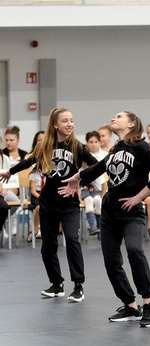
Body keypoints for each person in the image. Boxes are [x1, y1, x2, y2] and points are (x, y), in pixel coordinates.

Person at [63, 111, 150, 327]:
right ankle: (130, 305)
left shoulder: (141, 147)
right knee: (111, 260)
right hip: (110, 212)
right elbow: (98, 168)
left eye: (119, 117)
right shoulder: (116, 149)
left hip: (132, 212)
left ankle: (148, 304)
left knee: (134, 250)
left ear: (131, 124)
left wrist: (139, 197)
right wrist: (78, 177)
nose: (114, 119)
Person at [0, 108, 98, 302]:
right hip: (48, 203)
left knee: (72, 240)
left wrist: (79, 180)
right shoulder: (44, 145)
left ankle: (78, 285)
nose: (70, 124)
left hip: (69, 203)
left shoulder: (77, 147)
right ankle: (57, 284)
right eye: (65, 121)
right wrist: (10, 172)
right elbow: (28, 162)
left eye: (71, 120)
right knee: (48, 245)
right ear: (55, 125)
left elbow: (97, 166)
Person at [81, 131, 108, 236]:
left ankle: (100, 227)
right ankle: (93, 227)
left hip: (98, 189)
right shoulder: (83, 158)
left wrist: (103, 195)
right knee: (89, 200)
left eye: (96, 142)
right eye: (91, 142)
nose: (93, 144)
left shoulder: (104, 156)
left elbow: (104, 180)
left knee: (98, 200)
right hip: (85, 190)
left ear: (99, 142)